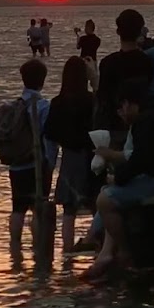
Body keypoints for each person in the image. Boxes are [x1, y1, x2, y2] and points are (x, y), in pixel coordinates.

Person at [81, 80, 154, 281]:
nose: (121, 112)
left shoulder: (146, 122)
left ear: (129, 104)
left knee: (105, 200)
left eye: (121, 106)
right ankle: (105, 252)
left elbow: (140, 161)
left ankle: (124, 253)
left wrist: (118, 177)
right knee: (111, 193)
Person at [1, 59, 56, 259]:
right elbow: (48, 138)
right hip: (36, 164)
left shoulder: (14, 106)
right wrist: (50, 162)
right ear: (42, 80)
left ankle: (15, 249)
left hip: (16, 165)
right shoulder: (43, 106)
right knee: (38, 208)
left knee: (17, 208)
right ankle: (37, 248)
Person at [46, 56, 96, 251]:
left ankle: (67, 251)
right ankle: (97, 243)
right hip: (90, 156)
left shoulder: (57, 102)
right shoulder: (91, 100)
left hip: (68, 158)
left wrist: (49, 165)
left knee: (69, 209)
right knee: (94, 203)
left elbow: (50, 135)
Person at [93, 9, 154, 148]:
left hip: (114, 127)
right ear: (140, 32)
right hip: (142, 126)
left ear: (118, 31)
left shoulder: (108, 63)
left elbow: (103, 97)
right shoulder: (147, 62)